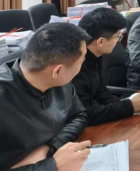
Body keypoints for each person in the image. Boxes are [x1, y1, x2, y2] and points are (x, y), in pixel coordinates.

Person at [0, 23, 92, 171]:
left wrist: (49, 148)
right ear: (58, 71)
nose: (82, 65)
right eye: (83, 60)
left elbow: (79, 115)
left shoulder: (58, 81)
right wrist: (52, 165)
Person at [74, 8, 140, 126]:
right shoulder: (75, 66)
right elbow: (84, 113)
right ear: (100, 42)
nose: (118, 41)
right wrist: (128, 106)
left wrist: (124, 105)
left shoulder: (94, 56)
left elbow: (101, 90)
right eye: (117, 37)